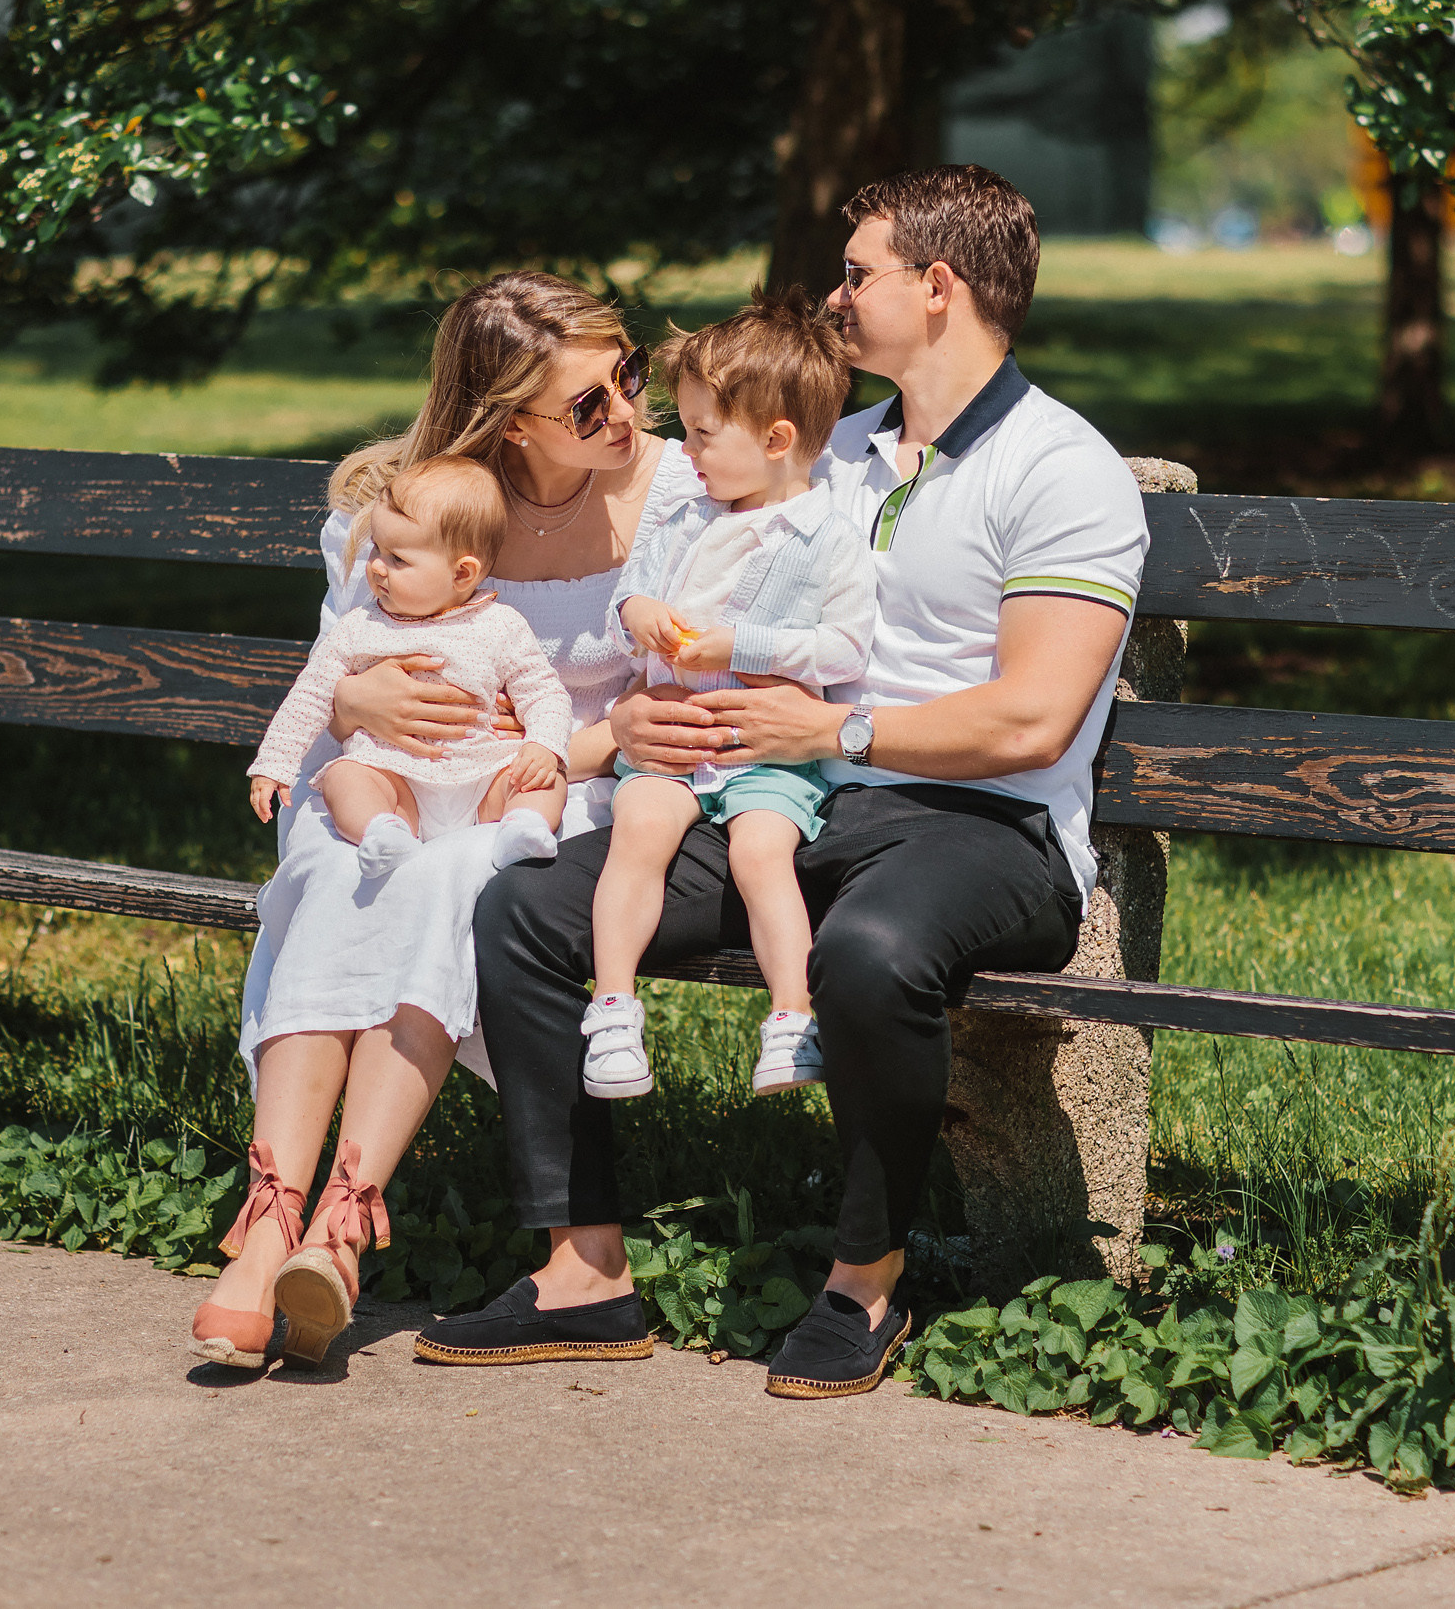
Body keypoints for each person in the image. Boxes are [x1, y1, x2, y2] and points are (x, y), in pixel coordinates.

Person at [424, 165, 1150, 1398]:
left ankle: (864, 1279)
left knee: (865, 952)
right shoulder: (828, 449)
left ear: (937, 287)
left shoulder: (1057, 468)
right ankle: (581, 1271)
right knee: (527, 910)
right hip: (790, 790)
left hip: (988, 827)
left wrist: (837, 734)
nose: (834, 293)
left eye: (857, 271)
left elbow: (1031, 719)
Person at [190, 272, 698, 1372]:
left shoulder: (684, 497)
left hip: (550, 789)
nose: (625, 410)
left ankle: (344, 1215)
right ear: (511, 418)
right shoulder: (422, 502)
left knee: (449, 878)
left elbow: (673, 707)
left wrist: (565, 747)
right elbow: (344, 662)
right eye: (586, 403)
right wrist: (359, 702)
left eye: (628, 374)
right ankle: (272, 1218)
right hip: (383, 783)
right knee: (334, 866)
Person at [581, 289, 873, 1101]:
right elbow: (631, 593)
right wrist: (640, 613)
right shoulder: (683, 516)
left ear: (777, 440)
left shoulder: (828, 541)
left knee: (761, 851)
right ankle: (612, 1008)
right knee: (637, 833)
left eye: (704, 432)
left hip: (762, 750)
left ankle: (791, 1015)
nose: (686, 446)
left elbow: (844, 647)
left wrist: (736, 646)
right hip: (674, 741)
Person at [248, 456, 571, 881]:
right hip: (395, 778)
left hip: (484, 777)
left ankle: (522, 826)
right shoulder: (360, 627)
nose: (378, 567)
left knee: (545, 783)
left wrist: (545, 745)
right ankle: (382, 832)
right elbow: (311, 694)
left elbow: (544, 692)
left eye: (397, 558)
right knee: (345, 778)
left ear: (462, 573)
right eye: (377, 549)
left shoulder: (500, 626)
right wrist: (274, 762)